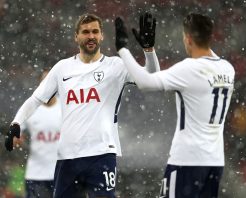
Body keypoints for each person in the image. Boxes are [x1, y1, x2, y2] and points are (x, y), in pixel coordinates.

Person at [4, 13, 159, 198]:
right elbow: (36, 99)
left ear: (102, 35)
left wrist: (149, 51)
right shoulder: (62, 68)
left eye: (95, 31)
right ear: (76, 36)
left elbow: (152, 78)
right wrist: (16, 123)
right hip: (67, 158)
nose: (91, 36)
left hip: (102, 155)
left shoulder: (115, 66)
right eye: (85, 32)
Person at [115, 13, 235, 198]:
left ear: (188, 39)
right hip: (214, 161)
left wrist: (123, 49)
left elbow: (146, 83)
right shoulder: (228, 68)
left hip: (187, 159)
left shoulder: (190, 69)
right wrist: (149, 50)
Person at [17, 70, 61, 198]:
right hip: (36, 173)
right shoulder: (30, 107)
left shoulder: (66, 106)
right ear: (39, 85)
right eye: (44, 81)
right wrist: (16, 137)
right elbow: (16, 128)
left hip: (61, 173)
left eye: (51, 81)